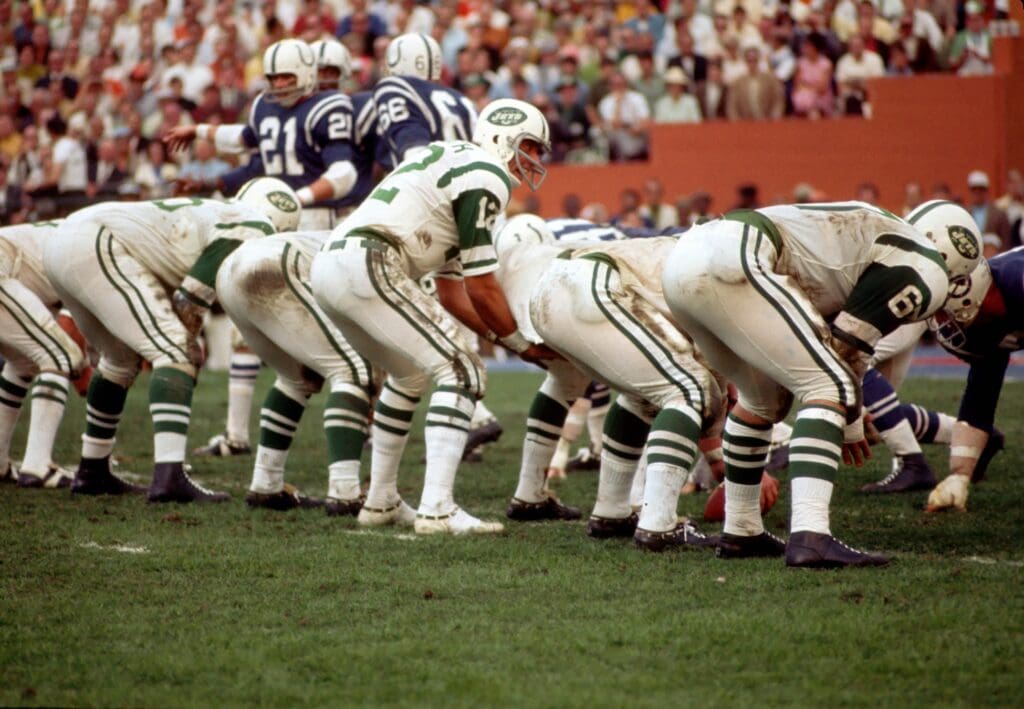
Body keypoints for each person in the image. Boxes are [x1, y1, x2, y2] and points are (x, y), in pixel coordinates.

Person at [661, 201, 976, 568]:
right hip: (736, 257)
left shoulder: (878, 231)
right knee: (828, 387)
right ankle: (811, 537)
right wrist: (852, 419)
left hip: (687, 257)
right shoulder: (926, 266)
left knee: (763, 400)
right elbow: (847, 348)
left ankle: (742, 529)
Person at [310, 98, 560, 536]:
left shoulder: (451, 163)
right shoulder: (487, 175)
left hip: (335, 263)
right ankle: (438, 509)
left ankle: (380, 501)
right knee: (462, 370)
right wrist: (522, 343)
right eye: (530, 146)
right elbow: (483, 287)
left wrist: (507, 341)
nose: (534, 159)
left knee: (408, 377)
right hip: (371, 259)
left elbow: (451, 294)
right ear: (502, 139)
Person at [42, 178, 301, 503]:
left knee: (119, 359)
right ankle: (169, 477)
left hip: (68, 237)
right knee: (177, 350)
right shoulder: (254, 227)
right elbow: (188, 303)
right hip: (96, 243)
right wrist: (185, 348)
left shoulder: (220, 211)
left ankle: (93, 469)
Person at [493, 216, 724, 552]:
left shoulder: (649, 246)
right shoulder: (701, 264)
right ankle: (658, 524)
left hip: (553, 289)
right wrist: (722, 463)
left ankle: (609, 511)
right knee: (689, 391)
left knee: (628, 390)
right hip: (586, 287)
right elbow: (712, 368)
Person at [216, 229, 376, 513]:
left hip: (231, 269)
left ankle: (266, 484)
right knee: (353, 373)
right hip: (273, 267)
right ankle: (345, 492)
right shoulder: (383, 250)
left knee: (295, 379)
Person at [165, 38, 359, 231]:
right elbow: (245, 138)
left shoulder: (329, 106)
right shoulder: (266, 105)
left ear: (306, 73)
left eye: (285, 77)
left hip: (317, 215)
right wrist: (198, 131)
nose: (280, 84)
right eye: (273, 78)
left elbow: (343, 174)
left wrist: (295, 199)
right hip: (275, 214)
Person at [924, 247, 1021, 513]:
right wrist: (958, 477)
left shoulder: (1015, 282)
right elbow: (979, 401)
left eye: (948, 313)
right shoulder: (990, 321)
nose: (946, 322)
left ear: (968, 297)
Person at [0, 220, 88, 488]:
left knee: (24, 361)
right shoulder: (97, 247)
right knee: (60, 356)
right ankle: (38, 465)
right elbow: (69, 326)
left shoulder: (80, 230)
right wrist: (85, 373)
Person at [965, 170, 1011, 248]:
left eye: (981, 190)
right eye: (974, 190)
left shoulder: (999, 214)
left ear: (986, 191)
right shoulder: (965, 213)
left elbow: (1006, 241)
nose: (978, 193)